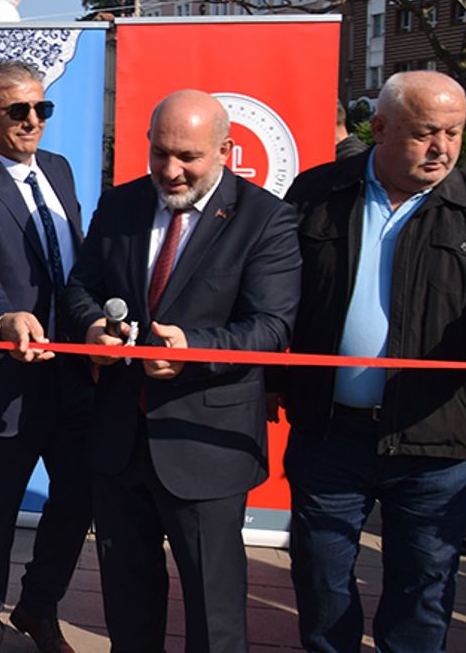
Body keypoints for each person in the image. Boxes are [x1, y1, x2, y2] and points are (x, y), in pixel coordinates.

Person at [62, 89, 301, 652]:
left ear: (225, 150)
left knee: (214, 612)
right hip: (119, 439)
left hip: (205, 444)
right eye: (160, 153)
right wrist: (92, 328)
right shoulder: (119, 205)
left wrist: (194, 348)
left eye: (188, 157)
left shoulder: (265, 219)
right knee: (127, 601)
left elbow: (271, 327)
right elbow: (80, 288)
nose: (170, 171)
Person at [280, 70, 466, 653]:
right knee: (321, 579)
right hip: (330, 434)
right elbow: (276, 294)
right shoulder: (318, 193)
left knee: (423, 589)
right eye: (425, 132)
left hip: (435, 442)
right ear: (379, 127)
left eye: (454, 132)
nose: (442, 147)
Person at [0, 60, 92, 653]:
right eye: (18, 111)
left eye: (41, 108)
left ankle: (37, 606)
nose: (33, 121)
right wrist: (4, 317)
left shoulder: (59, 169)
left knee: (78, 498)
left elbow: (75, 262)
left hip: (73, 376)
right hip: (4, 381)